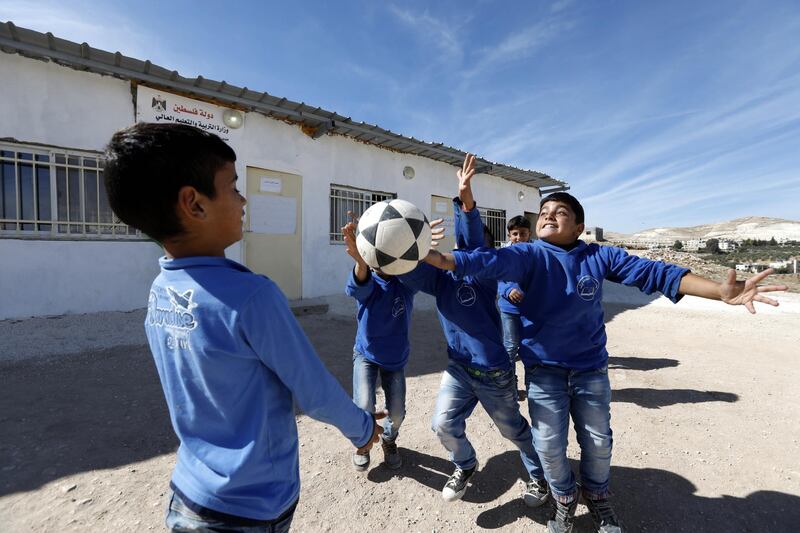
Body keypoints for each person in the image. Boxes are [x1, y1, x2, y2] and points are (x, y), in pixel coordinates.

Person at [422, 191, 787, 533]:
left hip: (590, 370)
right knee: (548, 444)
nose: (549, 216)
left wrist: (720, 292)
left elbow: (657, 274)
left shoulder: (598, 256)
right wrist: (435, 256)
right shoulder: (527, 254)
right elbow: (484, 260)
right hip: (543, 371)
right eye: (544, 213)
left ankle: (597, 496)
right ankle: (564, 497)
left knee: (598, 441)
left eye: (560, 213)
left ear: (579, 227)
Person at [103, 123, 383, 532]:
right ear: (194, 204)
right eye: (233, 187)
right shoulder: (252, 296)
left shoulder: (161, 289)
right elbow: (314, 390)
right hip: (250, 507)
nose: (243, 199)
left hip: (188, 497)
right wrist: (362, 429)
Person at [398, 154, 550, 507]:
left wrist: (466, 200)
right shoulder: (440, 279)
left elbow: (472, 246)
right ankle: (465, 464)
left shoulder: (483, 275)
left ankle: (540, 476)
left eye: (475, 244)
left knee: (513, 430)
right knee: (442, 424)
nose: (463, 247)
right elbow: (407, 270)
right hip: (458, 369)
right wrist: (396, 249)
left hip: (494, 372)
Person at [340, 219, 417, 471]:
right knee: (363, 407)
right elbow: (359, 281)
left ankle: (389, 439)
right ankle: (363, 445)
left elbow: (420, 268)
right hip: (366, 354)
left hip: (395, 359)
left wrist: (421, 246)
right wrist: (360, 262)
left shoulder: (405, 284)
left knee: (397, 413)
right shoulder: (368, 283)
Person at [498, 215, 533, 400]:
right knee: (510, 348)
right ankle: (511, 386)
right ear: (509, 235)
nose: (519, 237)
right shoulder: (503, 255)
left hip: (531, 311)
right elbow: (497, 278)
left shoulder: (537, 253)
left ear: (530, 234)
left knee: (530, 348)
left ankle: (532, 386)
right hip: (508, 310)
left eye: (523, 233)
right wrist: (508, 289)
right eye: (515, 234)